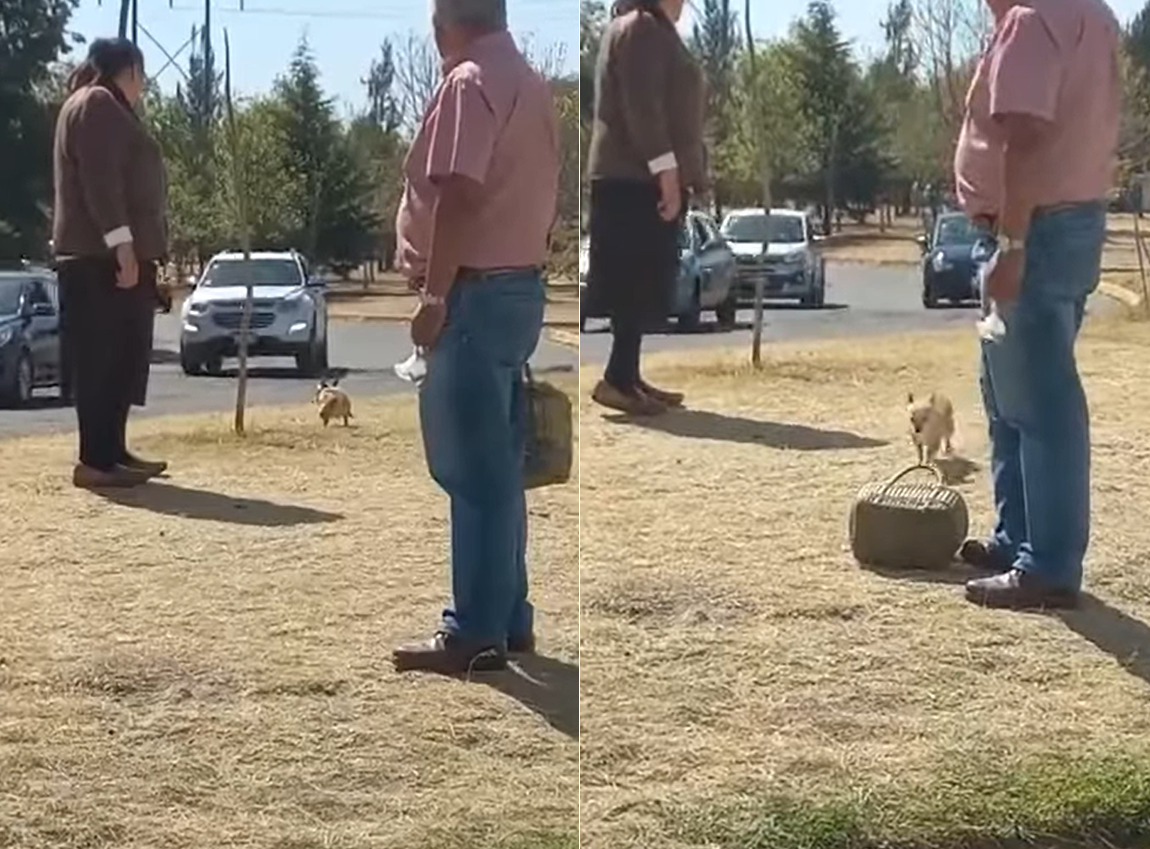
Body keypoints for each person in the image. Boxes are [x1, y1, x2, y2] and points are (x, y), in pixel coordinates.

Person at [391, 0, 560, 674]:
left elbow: (457, 196)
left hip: (473, 290)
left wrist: (435, 294)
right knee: (499, 463)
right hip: (517, 284)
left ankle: (474, 629)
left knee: (470, 466)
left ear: (448, 22)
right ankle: (508, 617)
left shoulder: (467, 83)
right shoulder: (528, 79)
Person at [955, 0, 1121, 609]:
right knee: (1010, 393)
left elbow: (1023, 137)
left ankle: (1045, 563)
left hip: (1034, 230)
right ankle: (1017, 536)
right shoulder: (1091, 14)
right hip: (1064, 223)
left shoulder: (1031, 20)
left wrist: (1013, 243)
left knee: (1041, 399)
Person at [52, 38, 169, 490]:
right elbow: (101, 181)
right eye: (142, 75)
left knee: (122, 358)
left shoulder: (101, 105)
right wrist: (122, 245)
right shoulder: (97, 103)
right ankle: (94, 460)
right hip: (98, 258)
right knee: (100, 360)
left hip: (112, 256)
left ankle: (113, 452)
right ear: (132, 70)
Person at [585, 0, 706, 416]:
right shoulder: (640, 28)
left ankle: (628, 376)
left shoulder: (650, 29)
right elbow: (643, 106)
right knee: (631, 279)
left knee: (643, 280)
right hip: (632, 178)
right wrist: (666, 171)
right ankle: (617, 379)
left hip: (639, 177)